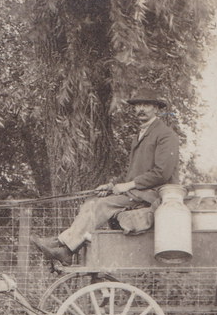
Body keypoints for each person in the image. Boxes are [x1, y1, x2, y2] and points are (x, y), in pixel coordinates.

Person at [31, 89, 180, 265]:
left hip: (152, 197)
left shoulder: (165, 135)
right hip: (137, 193)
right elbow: (137, 173)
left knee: (101, 204)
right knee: (91, 202)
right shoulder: (140, 135)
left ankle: (65, 247)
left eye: (146, 105)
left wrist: (127, 186)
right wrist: (113, 186)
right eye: (138, 105)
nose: (141, 109)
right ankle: (63, 246)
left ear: (156, 109)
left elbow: (162, 173)